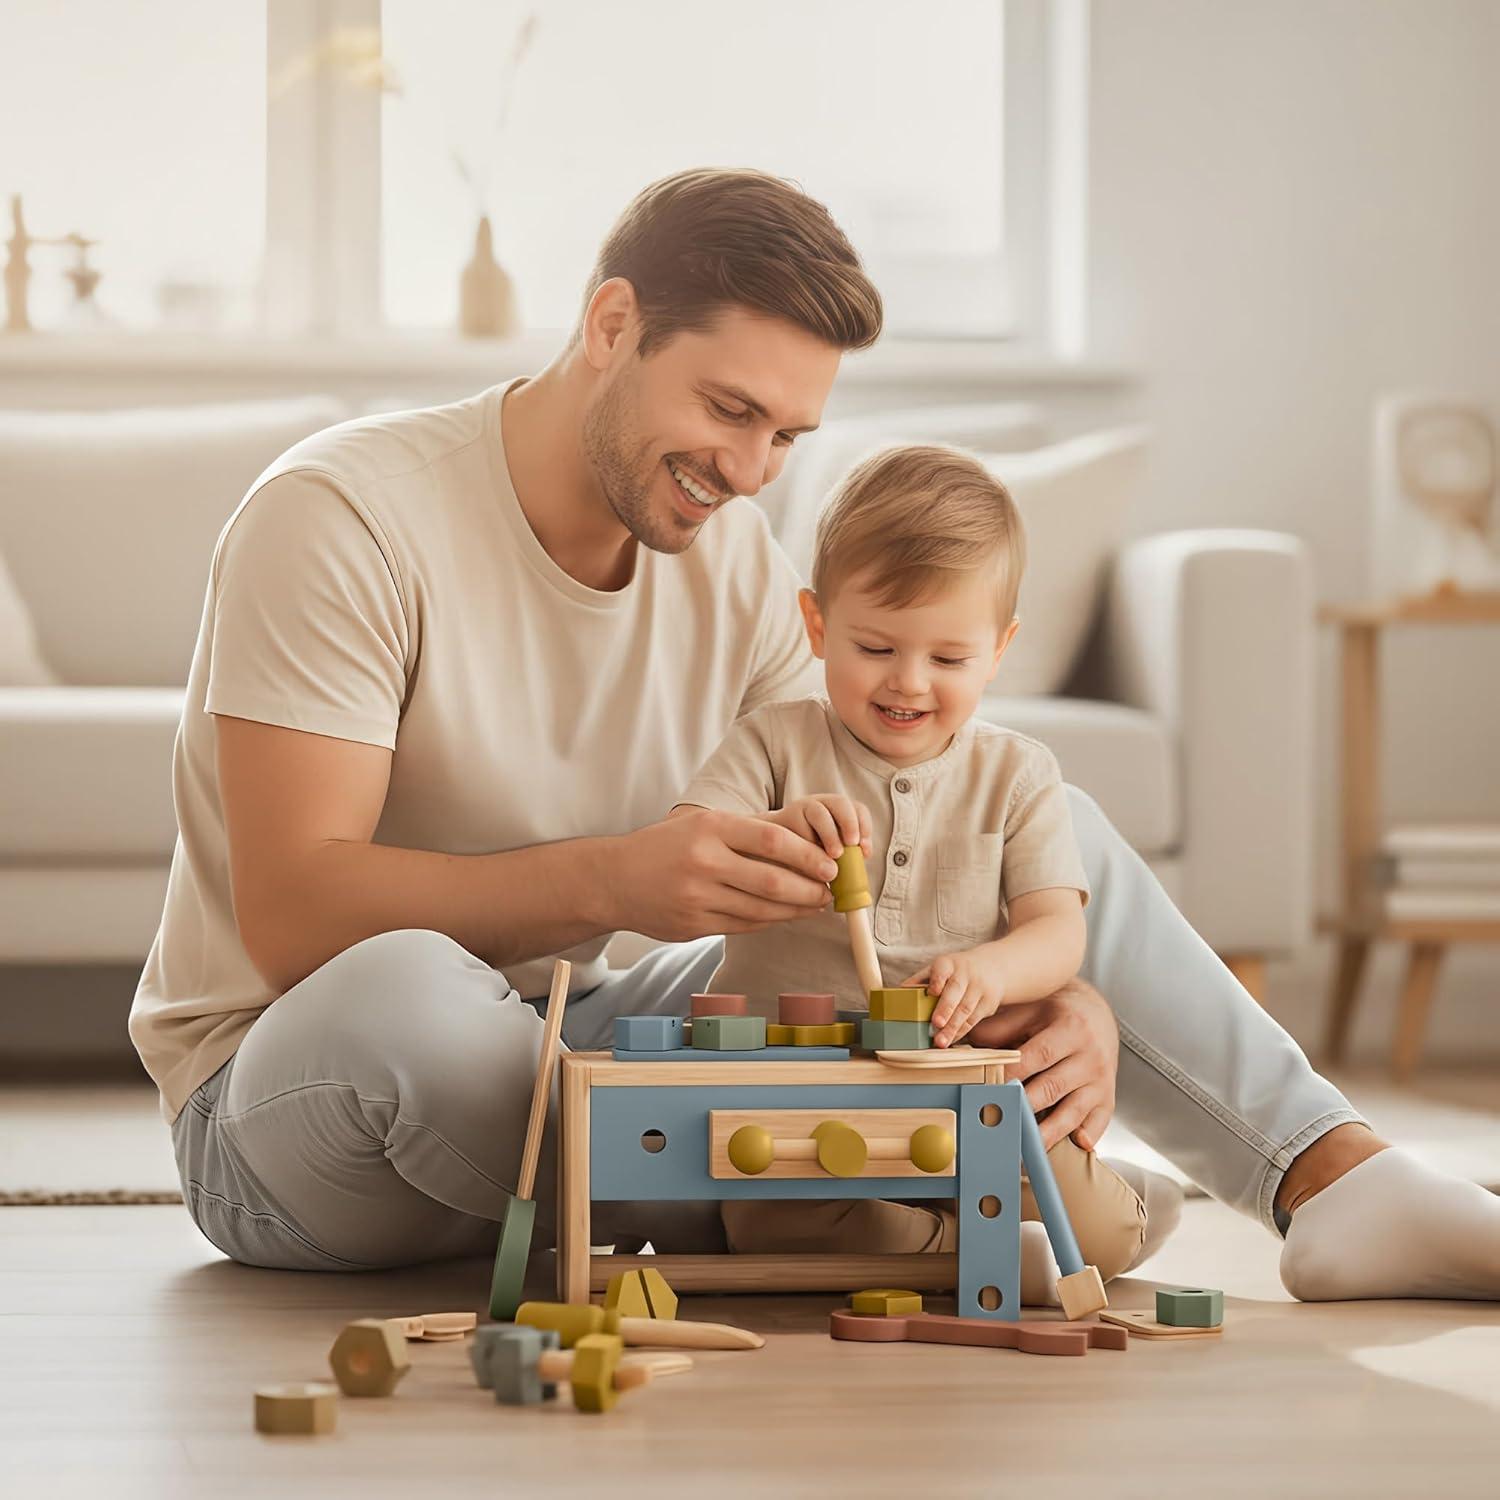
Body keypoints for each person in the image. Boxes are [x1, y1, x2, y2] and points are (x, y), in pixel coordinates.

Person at [129, 167, 1500, 1301]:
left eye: (786, 436)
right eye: (730, 411)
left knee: (1032, 820)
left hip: (576, 1042)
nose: (747, 473)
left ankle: (1335, 1181)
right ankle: (903, 1204)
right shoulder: (346, 518)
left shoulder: (721, 553)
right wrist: (616, 878)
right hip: (298, 1100)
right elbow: (297, 921)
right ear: (611, 324)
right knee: (410, 999)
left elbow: (892, 838)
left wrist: (1051, 989)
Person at [672, 442, 1180, 1297]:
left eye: (949, 660)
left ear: (1000, 647)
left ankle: (1115, 1207)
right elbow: (690, 843)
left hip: (962, 1091)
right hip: (802, 1101)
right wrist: (776, 833)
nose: (908, 683)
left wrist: (991, 971)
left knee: (1092, 1226)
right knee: (775, 1222)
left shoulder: (1018, 774)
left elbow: (1057, 930)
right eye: (875, 647)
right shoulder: (772, 740)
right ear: (818, 624)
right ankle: (987, 1252)